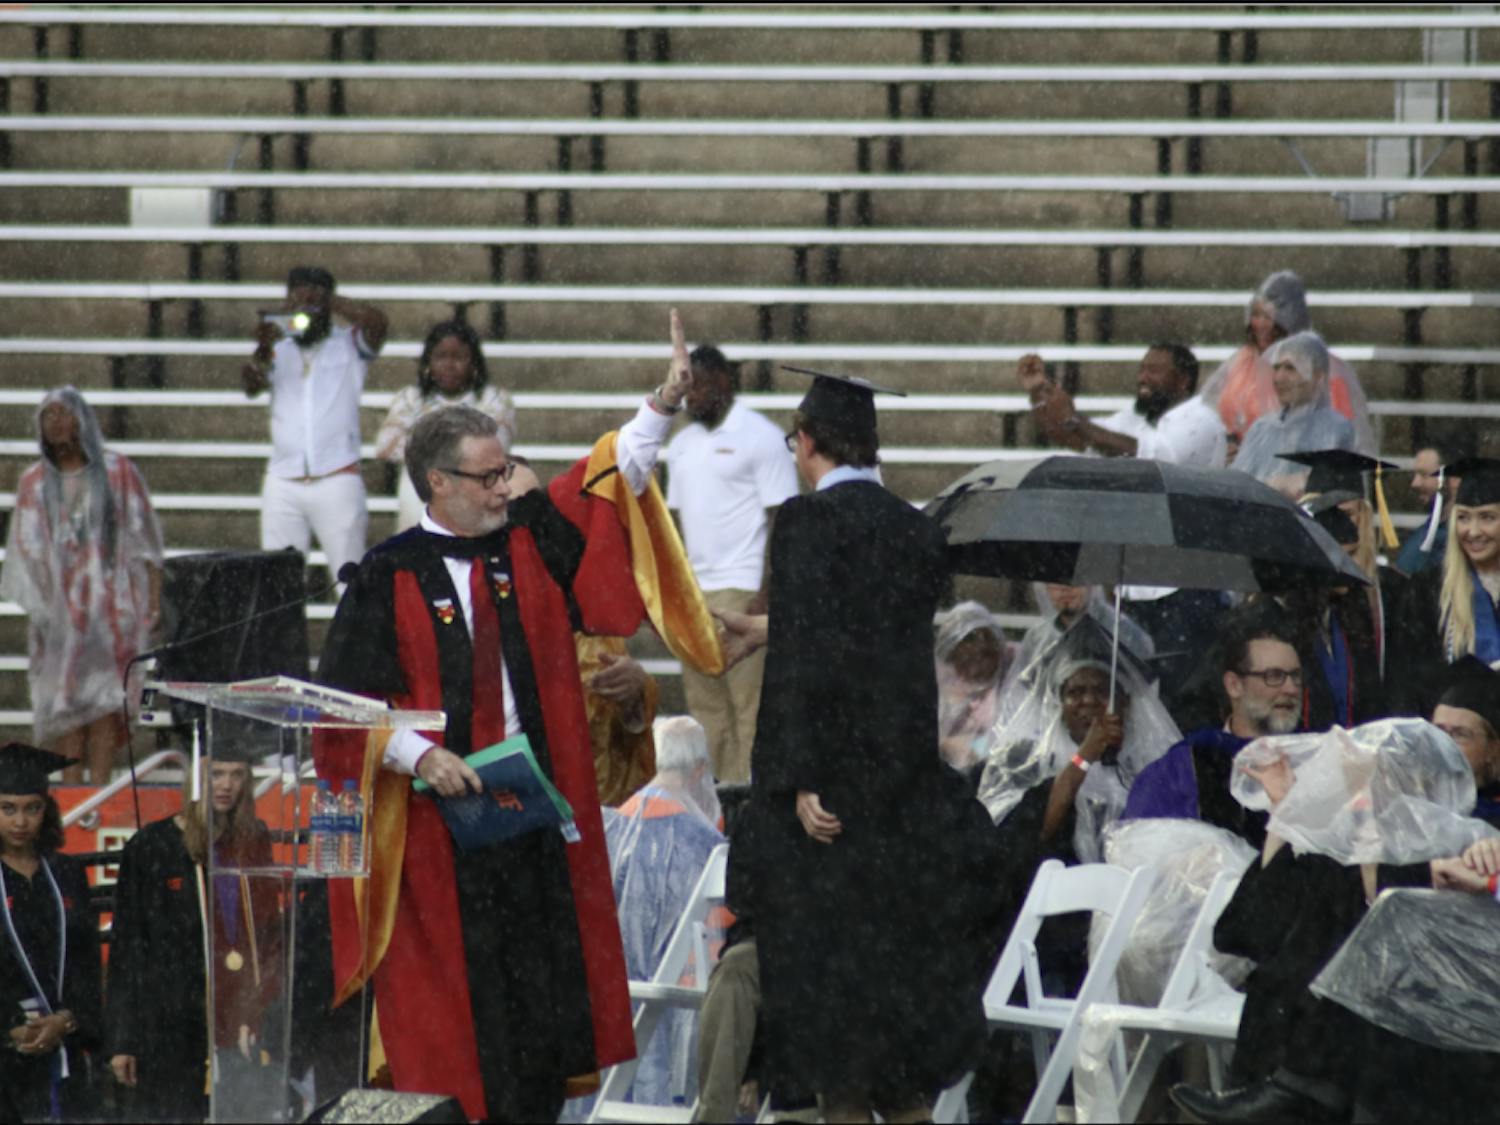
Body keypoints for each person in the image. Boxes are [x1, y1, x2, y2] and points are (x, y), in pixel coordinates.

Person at [312, 311, 725, 1122]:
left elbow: (608, 478)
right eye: (490, 476)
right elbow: (344, 708)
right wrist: (418, 754)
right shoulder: (385, 577)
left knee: (539, 1012)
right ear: (438, 482)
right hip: (438, 833)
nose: (509, 486)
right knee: (461, 1016)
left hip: (531, 821)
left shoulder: (529, 540)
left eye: (507, 472)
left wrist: (662, 403)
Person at [718, 366, 1003, 1123]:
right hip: (903, 799)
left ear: (807, 442)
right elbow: (875, 643)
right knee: (898, 1044)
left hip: (833, 822)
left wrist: (799, 774)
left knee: (835, 1047)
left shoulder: (809, 523)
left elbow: (816, 655)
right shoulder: (917, 530)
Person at [1170, 692, 1500, 1124]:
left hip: (1444, 1034)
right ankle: (1298, 1089)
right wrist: (1287, 814)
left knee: (1365, 925)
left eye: (1459, 735)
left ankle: (1299, 1090)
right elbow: (1244, 933)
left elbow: (1395, 897)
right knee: (1340, 912)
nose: (1445, 746)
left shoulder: (1476, 839)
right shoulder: (1348, 855)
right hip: (1360, 1031)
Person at [106, 745, 283, 1122]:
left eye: (237, 775)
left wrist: (263, 1009)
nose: (226, 785)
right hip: (170, 1022)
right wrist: (123, 1039)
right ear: (196, 779)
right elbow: (127, 948)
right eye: (216, 774)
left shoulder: (253, 841)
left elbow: (269, 936)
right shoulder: (152, 845)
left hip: (239, 1017)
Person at [0, 388, 164, 785]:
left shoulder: (118, 472)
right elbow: (25, 552)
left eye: (64, 413)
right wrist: (51, 607)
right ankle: (71, 799)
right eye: (48, 414)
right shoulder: (34, 483)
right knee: (66, 707)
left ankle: (101, 793)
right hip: (58, 618)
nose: (56, 421)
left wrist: (152, 602)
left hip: (113, 613)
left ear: (82, 420)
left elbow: (146, 541)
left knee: (108, 703)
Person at [664, 344, 800, 784]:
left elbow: (782, 520)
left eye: (698, 385)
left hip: (742, 589)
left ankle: (751, 804)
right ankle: (716, 801)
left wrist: (766, 595)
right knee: (706, 711)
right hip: (694, 593)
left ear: (724, 382)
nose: (689, 396)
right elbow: (677, 524)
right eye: (684, 387)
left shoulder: (760, 436)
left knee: (750, 706)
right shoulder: (681, 444)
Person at [506, 460, 658, 807]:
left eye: (537, 505)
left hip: (586, 816)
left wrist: (637, 691)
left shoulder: (583, 623)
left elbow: (616, 729)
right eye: (516, 509)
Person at [977, 624, 1179, 864]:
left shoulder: (1150, 764)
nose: (1089, 701)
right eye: (1075, 692)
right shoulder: (1027, 760)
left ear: (1124, 701)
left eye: (1102, 691)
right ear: (1058, 703)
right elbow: (1032, 833)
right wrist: (1085, 756)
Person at [603, 716, 725, 1107]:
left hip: (614, 1004)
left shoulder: (613, 825)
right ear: (701, 769)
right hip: (677, 1001)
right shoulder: (706, 843)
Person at [242, 265, 388, 591]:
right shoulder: (278, 344)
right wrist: (263, 345)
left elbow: (379, 323)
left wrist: (328, 302)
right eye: (297, 296)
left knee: (351, 583)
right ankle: (283, 644)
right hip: (283, 480)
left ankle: (351, 643)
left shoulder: (349, 343)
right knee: (277, 586)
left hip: (337, 475)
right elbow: (251, 385)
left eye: (313, 298)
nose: (304, 310)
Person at [1122, 608, 1304, 845]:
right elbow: (1142, 848)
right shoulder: (1183, 767)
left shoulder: (1317, 758)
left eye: (1295, 676)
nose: (1290, 689)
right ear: (1234, 685)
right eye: (1274, 676)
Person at [0, 743, 100, 1122]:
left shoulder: (66, 874)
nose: (20, 822)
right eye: (7, 808)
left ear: (47, 810)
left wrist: (67, 1020)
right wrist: (10, 1029)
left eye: (32, 808)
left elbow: (86, 959)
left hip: (63, 1048)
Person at [1199, 270, 1375, 455]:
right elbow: (1209, 410)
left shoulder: (1324, 368)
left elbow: (1344, 435)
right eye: (1256, 315)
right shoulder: (1240, 361)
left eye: (1268, 317)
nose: (1260, 324)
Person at [375, 319, 519, 532]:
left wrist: (427, 442)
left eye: (459, 357)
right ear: (428, 363)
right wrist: (462, 445)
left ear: (474, 363)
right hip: (421, 490)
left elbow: (496, 445)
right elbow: (385, 447)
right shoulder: (410, 399)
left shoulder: (494, 399)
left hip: (476, 491)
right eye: (441, 357)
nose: (449, 365)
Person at [1021, 343, 1228, 467]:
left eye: (1153, 371)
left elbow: (1152, 461)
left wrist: (1074, 420)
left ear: (1183, 380)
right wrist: (1038, 391)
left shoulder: (1200, 418)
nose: (1142, 378)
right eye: (1142, 370)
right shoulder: (1137, 416)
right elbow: (1076, 438)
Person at [1398, 456, 1500, 693]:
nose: (1473, 532)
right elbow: (1409, 682)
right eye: (1463, 517)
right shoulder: (1427, 590)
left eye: (1488, 517)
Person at [1229, 331, 1357, 497]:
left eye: (1290, 368)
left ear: (1317, 376)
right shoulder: (1261, 428)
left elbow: (1326, 491)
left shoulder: (1336, 428)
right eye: (1276, 368)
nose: (1278, 377)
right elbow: (1236, 486)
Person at [934, 601, 1012, 776]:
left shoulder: (1012, 681)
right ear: (951, 653)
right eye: (968, 649)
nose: (977, 659)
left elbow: (1015, 742)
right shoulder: (941, 684)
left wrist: (974, 750)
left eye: (986, 653)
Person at [1393, 440, 1464, 577]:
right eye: (1415, 475)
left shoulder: (1463, 540)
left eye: (1424, 475)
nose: (1415, 483)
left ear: (1454, 479)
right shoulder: (1425, 532)